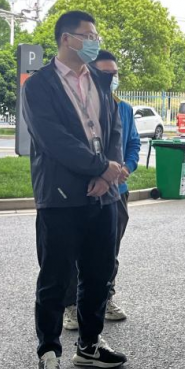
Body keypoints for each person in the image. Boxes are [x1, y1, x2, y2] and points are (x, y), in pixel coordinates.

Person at [22, 10, 128, 369]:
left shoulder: (99, 81)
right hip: (61, 197)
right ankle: (49, 355)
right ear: (67, 38)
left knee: (99, 274)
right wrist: (100, 168)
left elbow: (113, 130)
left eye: (96, 35)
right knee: (55, 279)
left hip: (103, 197)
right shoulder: (39, 86)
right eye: (89, 35)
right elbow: (53, 139)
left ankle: (89, 345)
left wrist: (108, 174)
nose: (94, 41)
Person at [61, 50, 139, 331]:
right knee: (74, 250)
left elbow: (132, 144)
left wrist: (125, 167)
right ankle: (71, 305)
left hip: (117, 191)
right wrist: (101, 173)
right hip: (84, 190)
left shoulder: (124, 108)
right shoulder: (76, 105)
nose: (111, 79)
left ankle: (105, 297)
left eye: (114, 74)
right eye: (105, 74)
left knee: (108, 250)